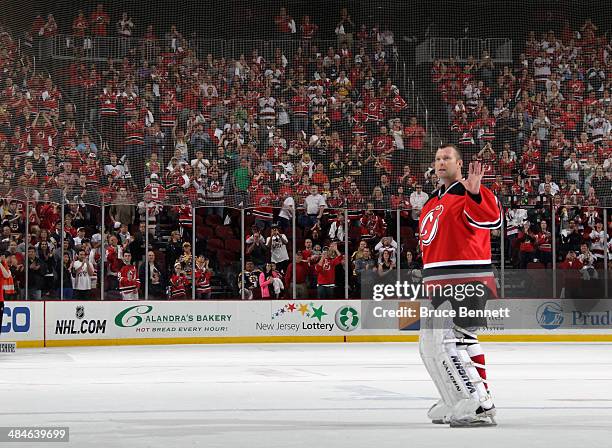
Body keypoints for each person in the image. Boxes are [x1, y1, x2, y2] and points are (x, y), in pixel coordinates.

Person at [418, 143, 502, 427]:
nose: (442, 162)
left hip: (467, 278)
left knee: (456, 339)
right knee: (429, 343)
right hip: (439, 282)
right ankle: (455, 398)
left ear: (459, 164)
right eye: (438, 158)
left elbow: (492, 218)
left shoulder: (468, 192)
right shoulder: (432, 201)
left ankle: (479, 402)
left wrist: (476, 192)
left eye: (447, 158)